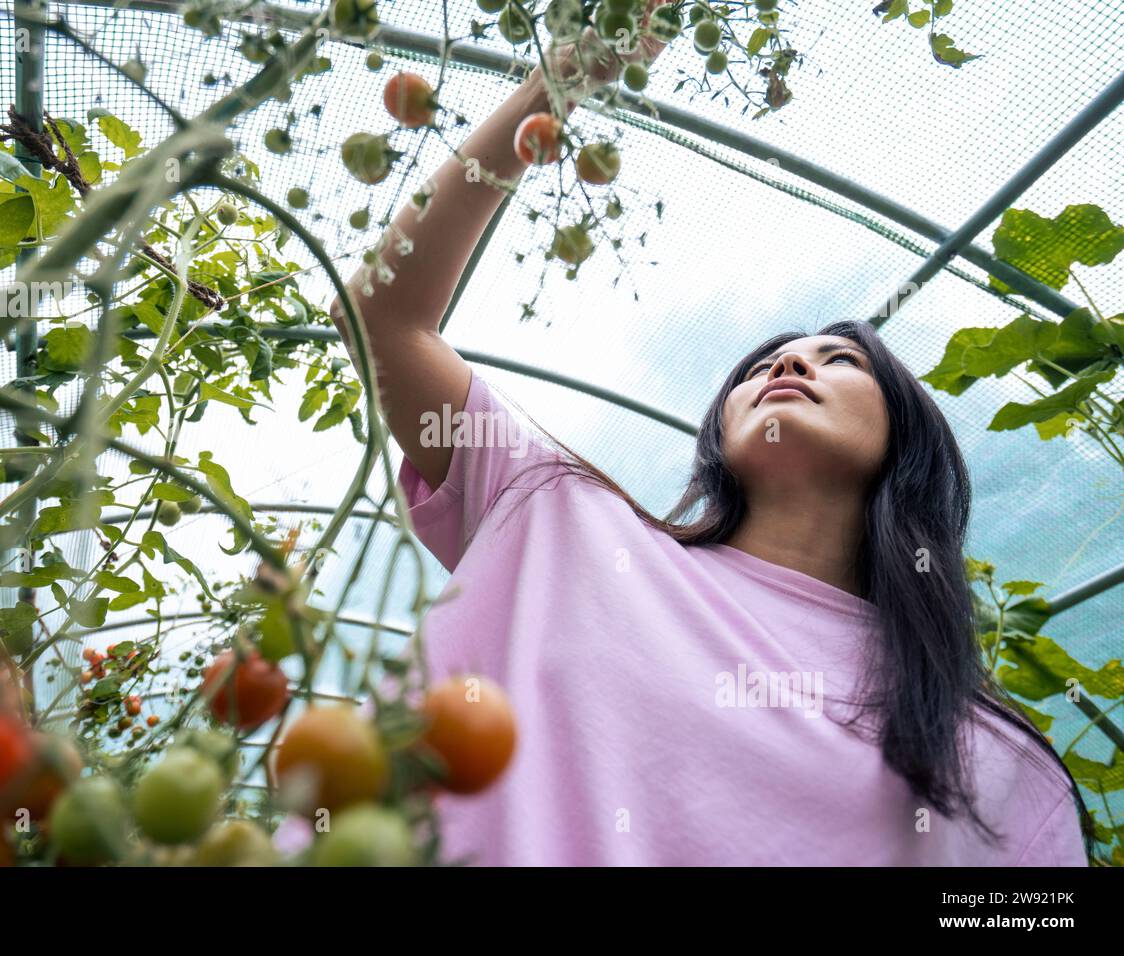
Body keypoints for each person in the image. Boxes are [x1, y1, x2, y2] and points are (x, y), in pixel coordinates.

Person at [326, 9, 1093, 866]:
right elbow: (381, 319)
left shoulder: (1005, 769)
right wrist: (563, 82)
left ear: (909, 439)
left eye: (841, 360)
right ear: (715, 435)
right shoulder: (566, 519)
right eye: (761, 365)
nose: (790, 365)